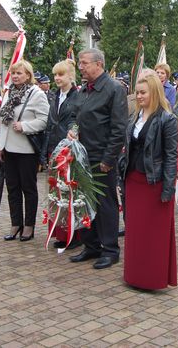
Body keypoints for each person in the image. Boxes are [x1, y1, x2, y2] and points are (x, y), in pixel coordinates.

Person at [68, 49, 128, 269]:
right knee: (84, 203)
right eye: (80, 63)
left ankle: (110, 249)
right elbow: (74, 117)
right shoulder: (84, 89)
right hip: (81, 157)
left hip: (101, 158)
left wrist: (108, 158)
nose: (80, 67)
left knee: (105, 204)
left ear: (99, 64)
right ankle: (91, 246)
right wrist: (72, 130)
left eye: (84, 63)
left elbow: (119, 128)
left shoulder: (113, 89)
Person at [119, 73, 178, 290]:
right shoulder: (135, 116)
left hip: (155, 184)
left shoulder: (167, 119)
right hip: (134, 181)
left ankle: (152, 278)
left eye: (143, 93)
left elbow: (171, 156)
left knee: (154, 235)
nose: (139, 96)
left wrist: (168, 188)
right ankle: (134, 275)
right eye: (137, 92)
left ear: (154, 93)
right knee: (135, 232)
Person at [0, 60, 49, 242]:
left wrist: (25, 125)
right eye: (13, 73)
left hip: (26, 149)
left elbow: (44, 120)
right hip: (9, 148)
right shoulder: (9, 92)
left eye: (19, 73)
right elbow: (3, 122)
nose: (16, 76)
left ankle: (29, 226)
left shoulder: (37, 94)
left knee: (28, 188)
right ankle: (15, 223)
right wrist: (0, 146)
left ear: (28, 75)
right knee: (12, 188)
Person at [43, 59, 82, 249]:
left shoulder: (78, 96)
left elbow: (78, 121)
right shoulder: (54, 96)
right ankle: (60, 231)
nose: (57, 78)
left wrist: (74, 132)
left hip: (69, 150)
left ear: (70, 76)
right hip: (54, 148)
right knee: (57, 191)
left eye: (61, 74)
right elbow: (51, 124)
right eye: (55, 75)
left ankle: (73, 234)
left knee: (70, 192)